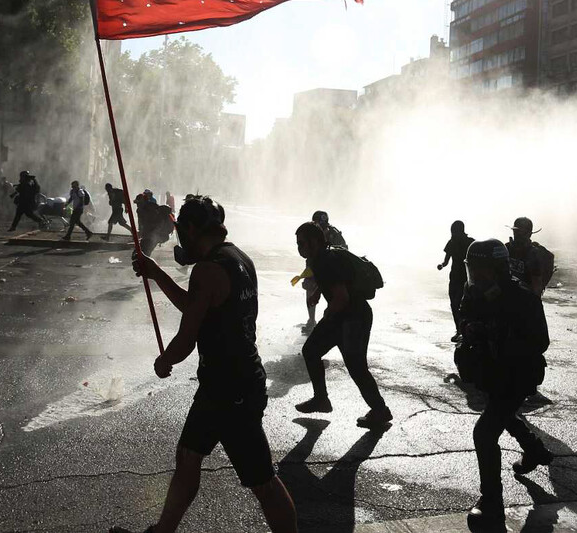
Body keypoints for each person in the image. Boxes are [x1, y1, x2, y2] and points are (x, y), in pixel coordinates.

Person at [123, 195, 297, 533]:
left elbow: (188, 337)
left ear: (190, 229)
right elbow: (198, 306)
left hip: (231, 391)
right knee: (188, 455)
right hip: (231, 382)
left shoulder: (206, 269)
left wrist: (164, 360)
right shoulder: (239, 258)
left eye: (180, 231)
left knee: (262, 481)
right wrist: (156, 273)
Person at [457, 239, 552, 532]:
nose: (476, 276)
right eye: (473, 269)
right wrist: (471, 329)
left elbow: (541, 341)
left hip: (517, 375)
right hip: (492, 373)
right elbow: (464, 319)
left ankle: (492, 504)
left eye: (481, 270)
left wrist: (504, 339)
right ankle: (534, 449)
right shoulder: (473, 292)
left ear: (497, 269)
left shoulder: (522, 298)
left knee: (484, 432)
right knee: (501, 413)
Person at [294, 222, 392, 430]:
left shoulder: (326, 261)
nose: (299, 248)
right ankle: (321, 399)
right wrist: (317, 293)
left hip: (353, 318)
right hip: (346, 316)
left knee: (356, 367)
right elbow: (336, 282)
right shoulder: (326, 255)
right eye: (298, 243)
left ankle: (380, 410)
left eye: (302, 243)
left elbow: (341, 296)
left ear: (315, 242)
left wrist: (328, 314)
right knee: (311, 351)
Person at [301, 211, 348, 330]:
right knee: (309, 288)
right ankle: (311, 319)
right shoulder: (310, 233)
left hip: (332, 269)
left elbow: (344, 251)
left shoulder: (334, 234)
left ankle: (332, 318)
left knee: (332, 291)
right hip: (314, 266)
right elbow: (307, 253)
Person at [438, 220, 474, 342]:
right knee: (454, 304)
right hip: (454, 278)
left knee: (462, 305)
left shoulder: (470, 243)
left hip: (466, 279)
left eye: (454, 231)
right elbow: (446, 261)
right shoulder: (452, 243)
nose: (453, 234)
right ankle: (459, 330)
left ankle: (464, 331)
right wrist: (442, 265)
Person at [506, 217, 555, 297]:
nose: (517, 235)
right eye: (515, 231)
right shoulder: (507, 248)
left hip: (525, 297)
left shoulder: (535, 254)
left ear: (529, 234)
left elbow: (537, 285)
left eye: (521, 232)